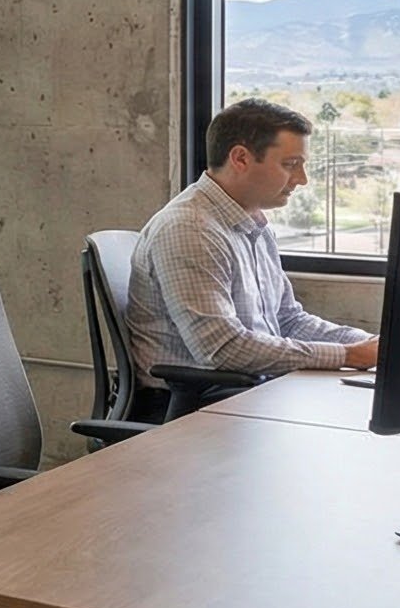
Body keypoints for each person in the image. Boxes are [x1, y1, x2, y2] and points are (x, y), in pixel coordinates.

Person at [123, 98, 376, 407]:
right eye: (290, 165)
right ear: (240, 158)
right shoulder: (190, 230)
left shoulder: (252, 223)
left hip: (249, 390)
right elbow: (223, 349)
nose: (302, 179)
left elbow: (288, 320)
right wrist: (350, 356)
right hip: (196, 406)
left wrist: (366, 344)